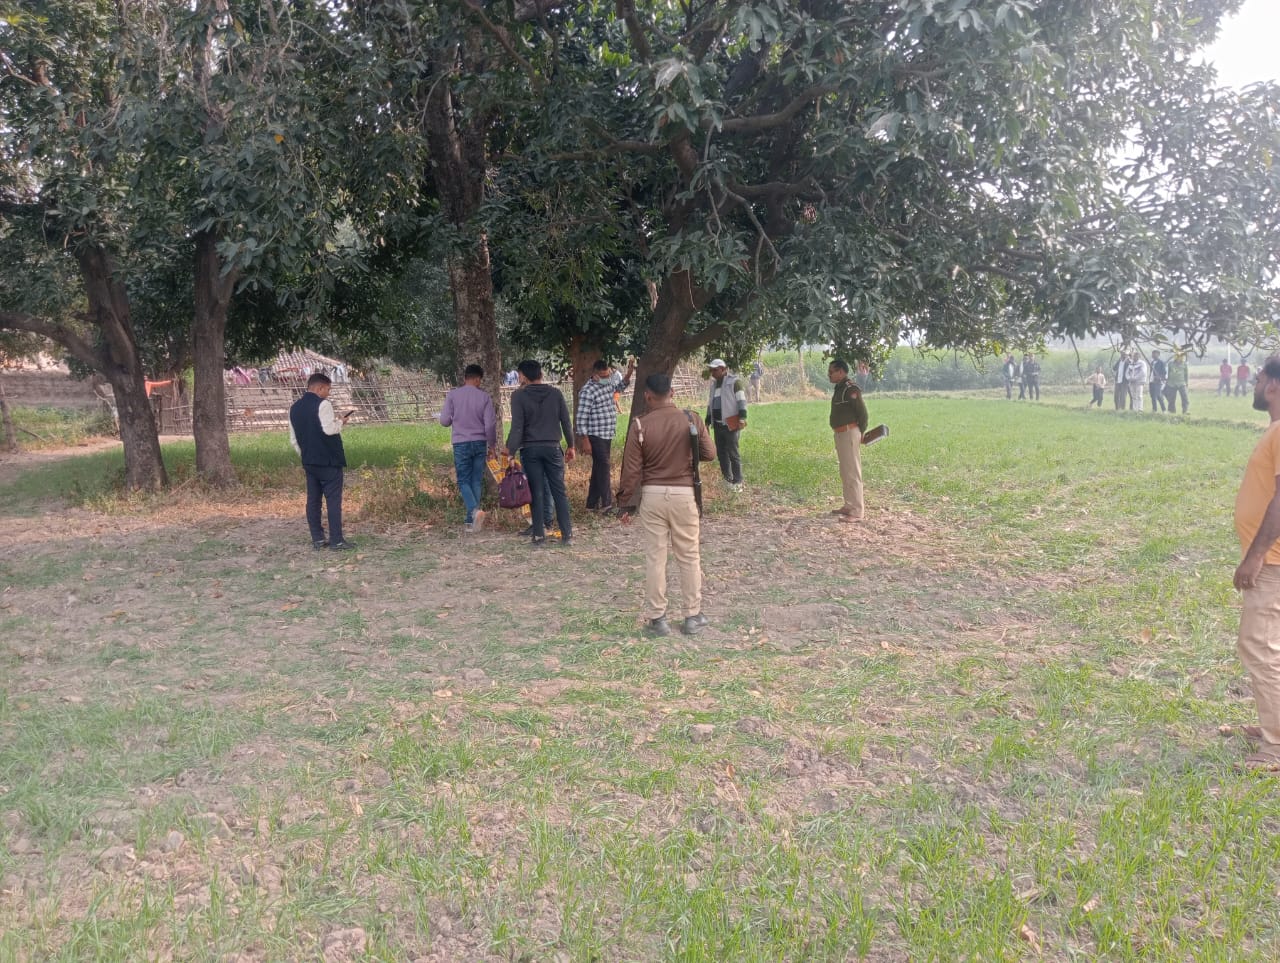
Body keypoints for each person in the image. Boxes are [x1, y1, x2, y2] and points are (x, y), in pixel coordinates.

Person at [616, 373, 716, 637]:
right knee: (689, 556)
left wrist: (625, 504)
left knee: (655, 558)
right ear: (672, 393)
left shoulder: (639, 425)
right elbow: (710, 454)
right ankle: (692, 616)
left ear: (647, 396)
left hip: (652, 496)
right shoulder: (691, 419)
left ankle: (658, 619)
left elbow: (631, 470)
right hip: (685, 495)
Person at [1230, 355, 1280, 770]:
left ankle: (1276, 746)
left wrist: (1256, 555)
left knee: (1258, 647)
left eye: (1259, 377)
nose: (1255, 383)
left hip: (1274, 563)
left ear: (1274, 386)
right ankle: (1271, 724)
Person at [507, 359, 576, 546]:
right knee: (559, 491)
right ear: (541, 374)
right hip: (553, 448)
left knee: (535, 492)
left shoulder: (518, 396)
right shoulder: (555, 393)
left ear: (522, 376)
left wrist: (511, 452)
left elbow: (517, 427)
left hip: (530, 450)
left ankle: (539, 536)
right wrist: (571, 446)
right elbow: (566, 422)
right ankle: (567, 535)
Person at [288, 372, 354, 550]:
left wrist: (305, 455)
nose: (328, 393)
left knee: (313, 500)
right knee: (333, 501)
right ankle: (336, 540)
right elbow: (328, 429)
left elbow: (293, 439)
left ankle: (317, 538)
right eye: (328, 389)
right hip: (328, 460)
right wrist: (340, 423)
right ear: (319, 388)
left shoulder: (294, 408)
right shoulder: (323, 404)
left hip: (309, 461)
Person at [438, 363, 497, 533]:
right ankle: (472, 520)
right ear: (478, 379)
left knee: (463, 480)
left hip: (461, 443)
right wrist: (492, 446)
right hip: (480, 443)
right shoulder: (484, 397)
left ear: (465, 378)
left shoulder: (453, 395)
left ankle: (473, 512)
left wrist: (454, 419)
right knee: (476, 480)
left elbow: (444, 421)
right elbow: (490, 425)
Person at [575, 358, 634, 513]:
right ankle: (607, 505)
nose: (607, 378)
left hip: (607, 433)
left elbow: (620, 387)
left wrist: (629, 373)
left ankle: (591, 505)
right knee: (604, 467)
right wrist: (585, 440)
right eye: (603, 376)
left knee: (599, 468)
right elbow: (581, 418)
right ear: (595, 375)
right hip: (595, 434)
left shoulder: (608, 384)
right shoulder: (588, 391)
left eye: (608, 375)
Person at [828, 359, 869, 521]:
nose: (829, 375)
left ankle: (857, 511)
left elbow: (862, 413)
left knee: (853, 472)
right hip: (840, 433)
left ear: (841, 372)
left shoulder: (850, 388)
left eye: (831, 372)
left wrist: (862, 432)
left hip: (849, 432)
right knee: (845, 471)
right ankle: (849, 505)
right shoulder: (840, 388)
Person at [704, 359, 747, 491]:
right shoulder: (714, 385)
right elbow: (710, 404)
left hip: (730, 425)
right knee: (721, 453)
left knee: (733, 453)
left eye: (715, 369)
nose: (712, 372)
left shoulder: (734, 382)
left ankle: (738, 481)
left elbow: (741, 401)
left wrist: (742, 418)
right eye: (711, 370)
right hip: (717, 425)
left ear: (723, 369)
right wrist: (707, 421)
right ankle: (727, 479)